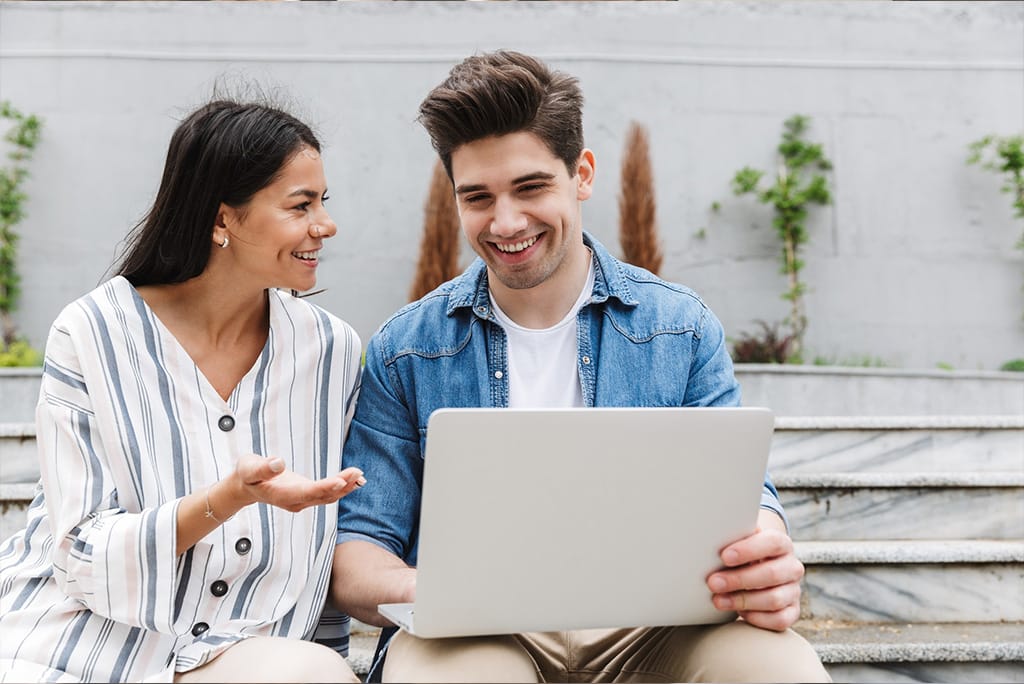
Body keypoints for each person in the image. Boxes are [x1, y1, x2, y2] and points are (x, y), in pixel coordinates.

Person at [332, 50, 831, 683]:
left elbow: (744, 497)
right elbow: (357, 554)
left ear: (583, 174)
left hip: (651, 633)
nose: (506, 222)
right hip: (475, 632)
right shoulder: (405, 348)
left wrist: (762, 556)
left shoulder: (678, 327)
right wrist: (446, 593)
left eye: (532, 187)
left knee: (778, 667)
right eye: (478, 197)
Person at [0, 97, 366, 683]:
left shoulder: (332, 351)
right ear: (222, 220)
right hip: (77, 640)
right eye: (301, 206)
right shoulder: (92, 333)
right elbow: (81, 552)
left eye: (323, 202)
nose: (325, 225)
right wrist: (227, 498)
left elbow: (326, 549)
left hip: (241, 650)